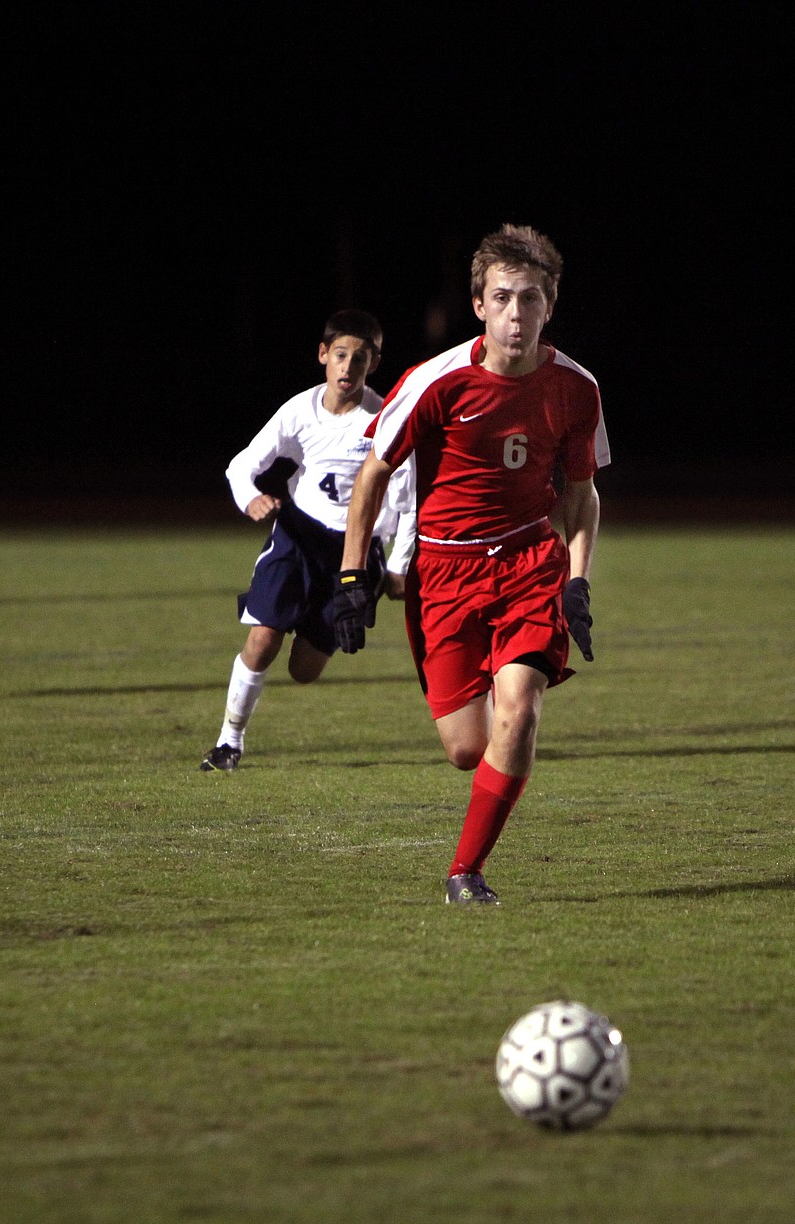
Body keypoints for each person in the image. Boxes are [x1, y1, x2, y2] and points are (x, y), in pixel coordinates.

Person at [334, 224, 610, 903]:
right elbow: (372, 476)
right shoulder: (435, 381)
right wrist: (351, 573)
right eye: (504, 298)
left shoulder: (576, 388)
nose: (518, 315)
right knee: (466, 748)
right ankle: (498, 686)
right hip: (445, 572)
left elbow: (581, 495)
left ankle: (466, 871)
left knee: (521, 709)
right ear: (480, 305)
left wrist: (576, 579)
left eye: (532, 300)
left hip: (526, 563)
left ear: (551, 306)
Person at [200, 309, 416, 771]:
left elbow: (409, 499)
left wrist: (398, 565)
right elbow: (241, 466)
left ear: (374, 364)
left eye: (360, 358)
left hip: (355, 557)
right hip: (298, 538)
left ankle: (314, 625)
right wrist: (251, 499)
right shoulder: (299, 410)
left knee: (303, 671)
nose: (348, 367)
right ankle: (228, 742)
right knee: (262, 638)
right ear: (323, 355)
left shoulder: (386, 419)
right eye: (340, 354)